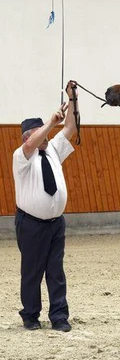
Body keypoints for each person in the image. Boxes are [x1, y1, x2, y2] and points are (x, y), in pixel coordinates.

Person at [12, 81, 79, 332]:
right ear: (28, 136)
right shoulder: (22, 156)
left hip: (55, 223)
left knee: (55, 270)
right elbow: (31, 145)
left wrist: (71, 98)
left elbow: (70, 127)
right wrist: (50, 123)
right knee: (32, 271)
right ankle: (30, 315)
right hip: (30, 223)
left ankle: (59, 316)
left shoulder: (51, 150)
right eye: (40, 133)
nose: (47, 137)